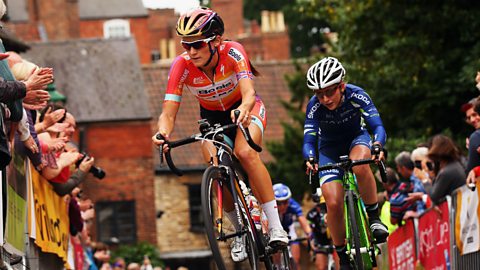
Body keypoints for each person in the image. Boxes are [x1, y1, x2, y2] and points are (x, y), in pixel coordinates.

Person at [151, 7, 288, 262]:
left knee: (245, 152)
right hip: (212, 118)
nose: (191, 52)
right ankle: (238, 231)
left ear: (215, 40)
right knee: (216, 165)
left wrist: (245, 109)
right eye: (185, 45)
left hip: (246, 108)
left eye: (197, 45)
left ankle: (276, 225)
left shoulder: (233, 51)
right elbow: (168, 113)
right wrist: (163, 133)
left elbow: (248, 91)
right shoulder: (181, 65)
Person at [302, 57, 389, 269]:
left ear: (341, 85)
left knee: (359, 164)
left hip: (356, 140)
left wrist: (377, 145)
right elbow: (309, 140)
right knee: (332, 203)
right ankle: (342, 255)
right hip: (328, 150)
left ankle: (374, 217)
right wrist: (310, 158)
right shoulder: (314, 106)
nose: (324, 99)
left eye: (329, 92)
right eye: (319, 94)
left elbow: (377, 126)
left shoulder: (357, 94)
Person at [273, 183, 312, 270]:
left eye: (285, 202)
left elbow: (303, 221)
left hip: (289, 230)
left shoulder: (293, 204)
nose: (282, 206)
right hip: (274, 230)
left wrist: (310, 234)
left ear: (289, 200)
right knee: (276, 258)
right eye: (278, 203)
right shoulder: (270, 207)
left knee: (295, 260)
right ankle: (277, 266)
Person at [307, 190, 339, 270]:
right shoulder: (311, 215)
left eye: (326, 205)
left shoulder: (338, 209)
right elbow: (310, 231)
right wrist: (311, 243)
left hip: (337, 240)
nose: (323, 208)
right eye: (320, 206)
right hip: (321, 241)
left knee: (340, 263)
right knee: (321, 266)